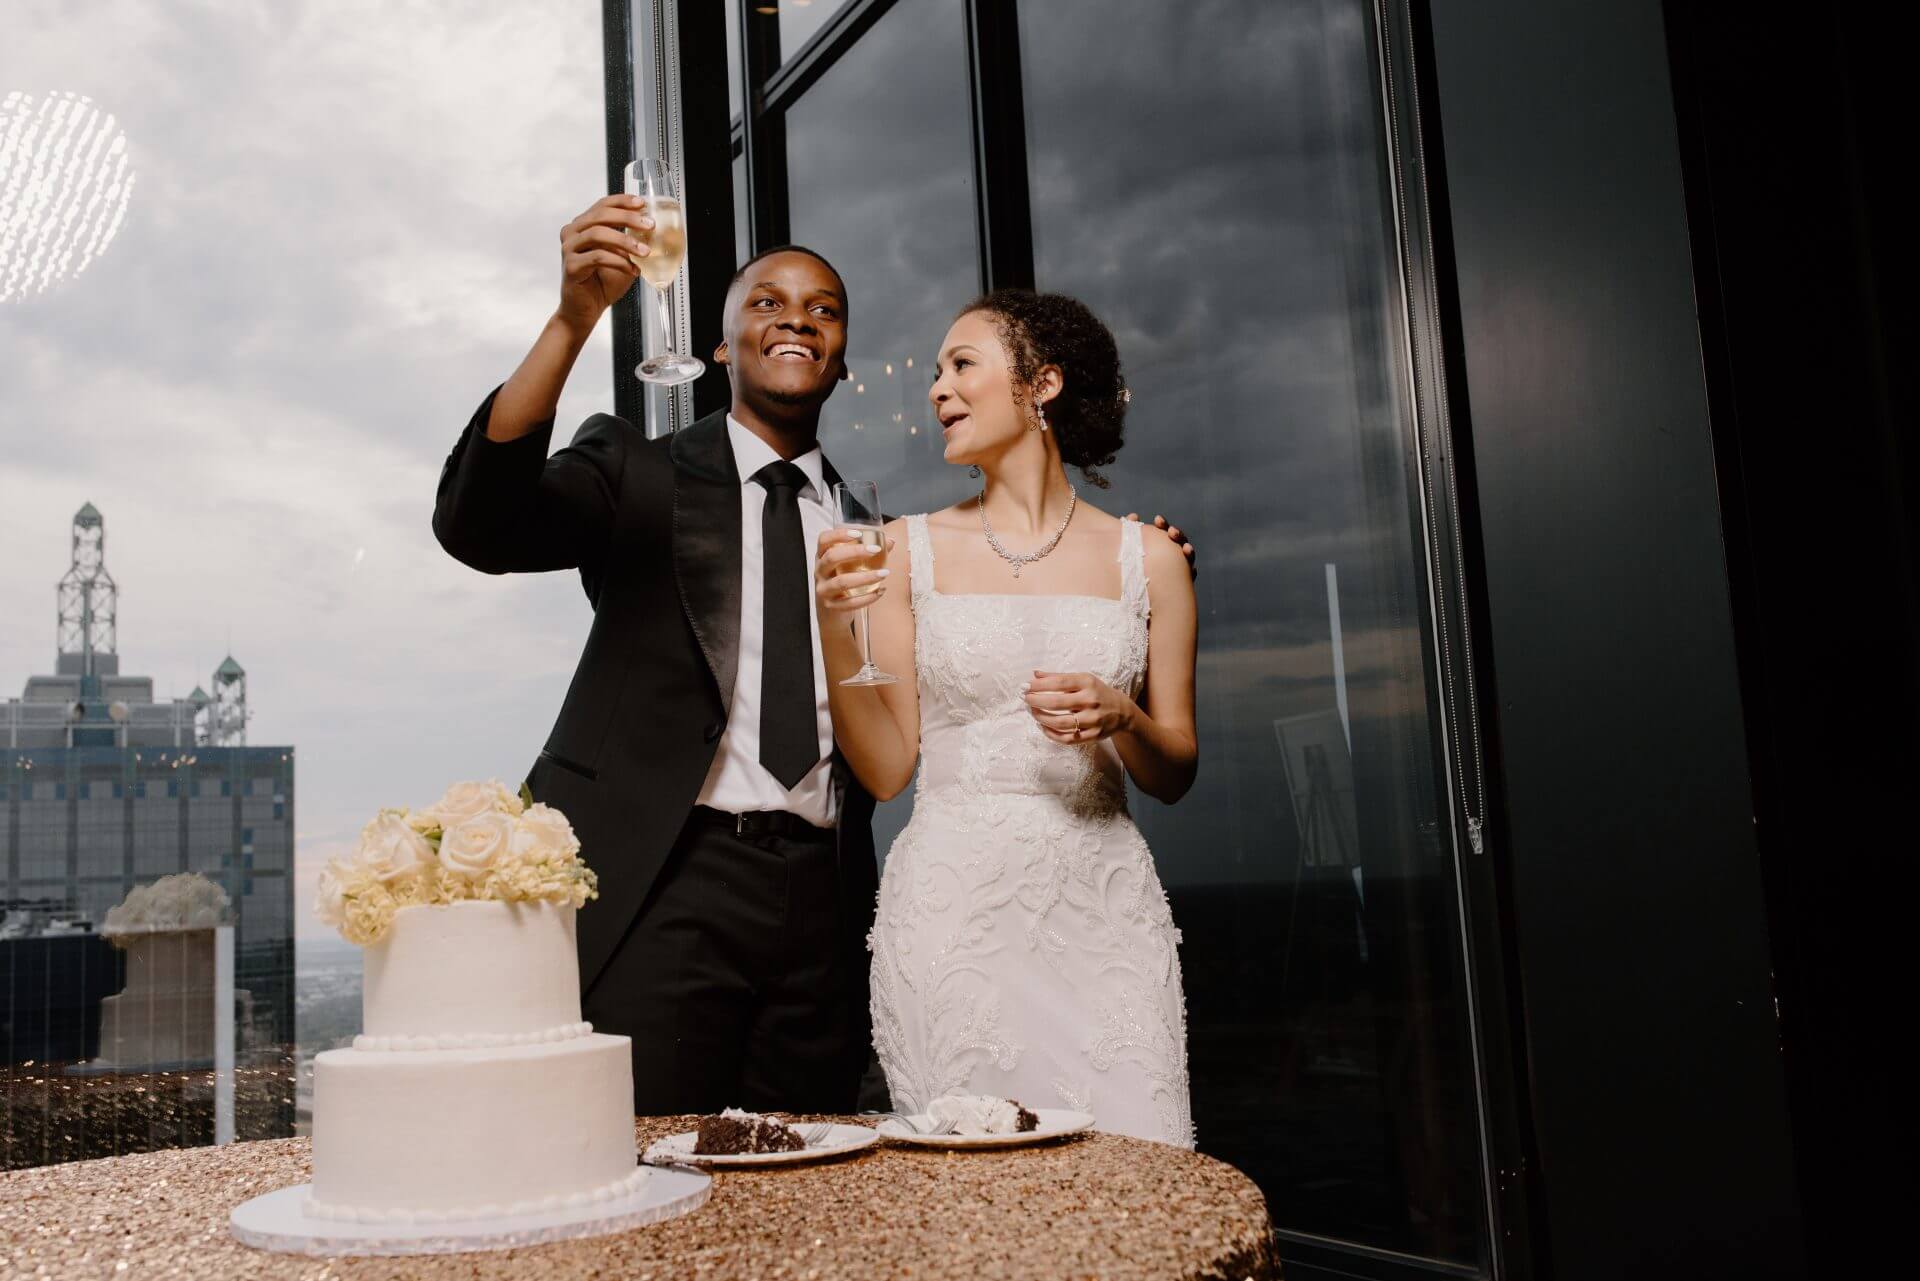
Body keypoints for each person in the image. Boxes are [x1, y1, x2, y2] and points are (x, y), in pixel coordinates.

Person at [432, 193, 1194, 1115]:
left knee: (815, 1198)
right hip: (666, 884)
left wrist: (1132, 575)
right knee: (650, 1185)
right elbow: (481, 524)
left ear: (839, 361)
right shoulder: (638, 474)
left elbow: (956, 658)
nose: (797, 316)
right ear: (721, 347)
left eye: (824, 310)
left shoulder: (880, 539)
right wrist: (571, 319)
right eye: (766, 302)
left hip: (827, 906)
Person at [814, 289, 1198, 1147]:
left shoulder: (1154, 559)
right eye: (936, 373)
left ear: (1042, 384)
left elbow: (1174, 769)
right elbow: (884, 768)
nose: (938, 390)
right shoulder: (899, 549)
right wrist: (833, 626)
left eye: (962, 365)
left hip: (1104, 918)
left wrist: (1122, 715)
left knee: (1137, 1177)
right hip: (954, 919)